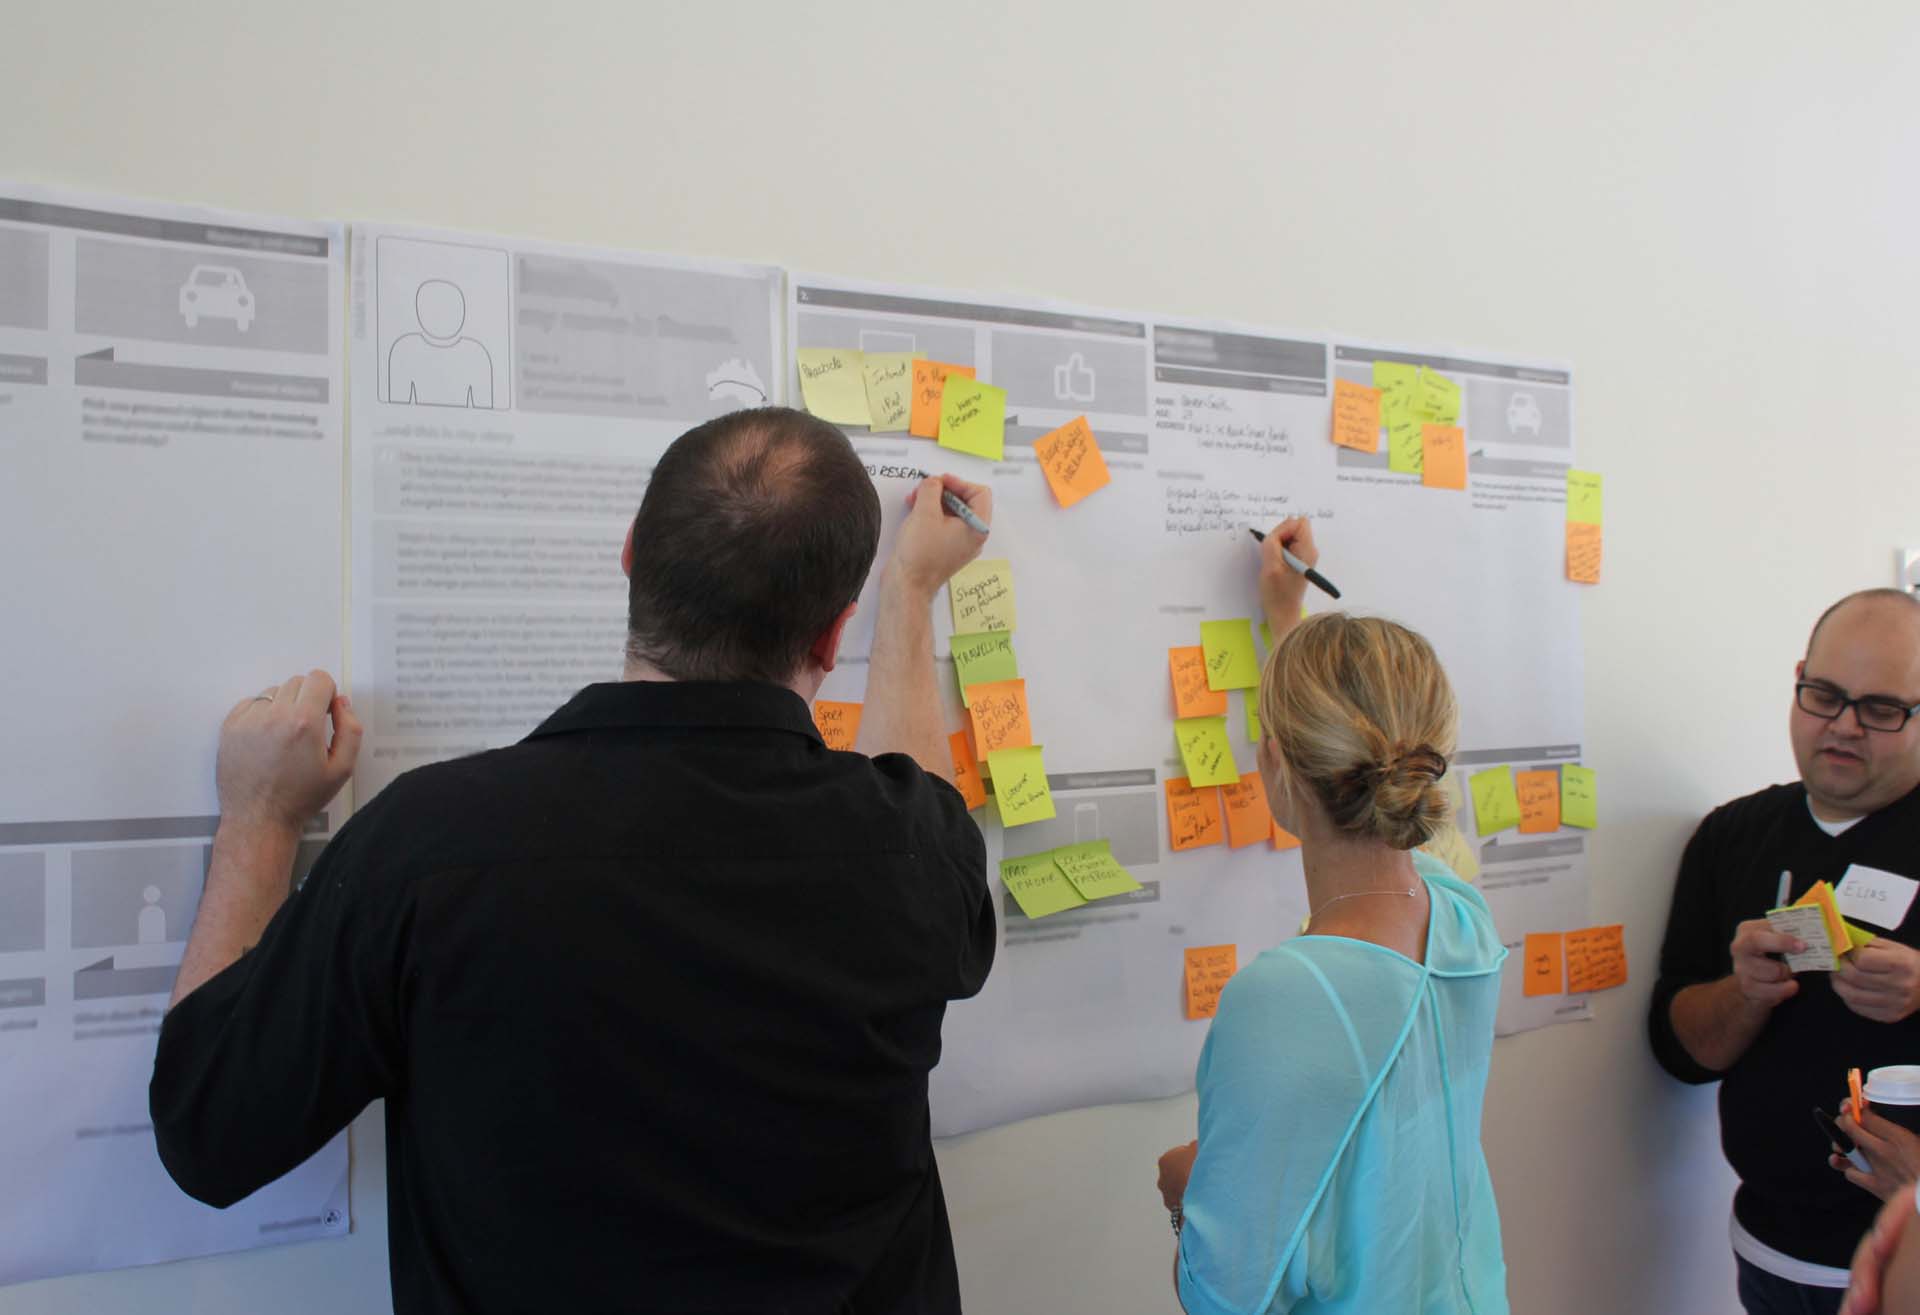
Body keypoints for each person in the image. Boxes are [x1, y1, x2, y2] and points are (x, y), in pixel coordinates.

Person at [149, 407, 998, 1315]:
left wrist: (261, 818)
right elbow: (910, 797)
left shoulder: (429, 847)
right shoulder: (909, 854)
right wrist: (910, 593)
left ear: (631, 556)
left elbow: (211, 1130)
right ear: (835, 638)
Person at [1155, 519, 1510, 1315]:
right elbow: (1385, 801)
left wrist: (1186, 1189)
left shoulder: (1285, 997)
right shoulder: (1461, 912)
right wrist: (1289, 616)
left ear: (1275, 761)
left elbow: (1222, 1295)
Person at [1649, 589, 1920, 1314]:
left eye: (1882, 708)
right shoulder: (1731, 835)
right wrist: (1745, 991)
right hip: (1769, 1252)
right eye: (1824, 694)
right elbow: (1679, 1052)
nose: (1844, 726)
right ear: (1799, 678)